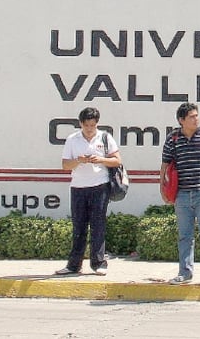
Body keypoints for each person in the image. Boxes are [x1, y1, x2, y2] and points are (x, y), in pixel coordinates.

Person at [159, 102, 200, 286]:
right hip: (182, 194)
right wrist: (162, 187)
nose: (196, 119)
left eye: (196, 115)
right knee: (185, 235)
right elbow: (165, 164)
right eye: (191, 117)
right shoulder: (173, 138)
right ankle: (185, 272)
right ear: (181, 120)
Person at [55, 107, 121, 276]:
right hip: (78, 186)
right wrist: (79, 160)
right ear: (80, 124)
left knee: (98, 225)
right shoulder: (72, 139)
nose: (90, 129)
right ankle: (73, 265)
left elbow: (117, 161)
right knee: (79, 227)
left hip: (100, 185)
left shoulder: (105, 137)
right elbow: (65, 165)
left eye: (93, 125)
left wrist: (100, 160)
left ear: (97, 123)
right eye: (86, 125)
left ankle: (99, 263)